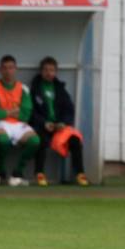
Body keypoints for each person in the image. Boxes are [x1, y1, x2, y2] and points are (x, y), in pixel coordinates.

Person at [30, 57, 89, 187]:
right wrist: (44, 123)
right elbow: (32, 111)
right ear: (41, 71)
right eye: (45, 70)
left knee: (75, 140)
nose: (48, 73)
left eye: (51, 70)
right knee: (40, 141)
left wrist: (63, 123)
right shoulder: (34, 89)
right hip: (42, 127)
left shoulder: (60, 89)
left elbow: (69, 109)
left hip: (59, 128)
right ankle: (39, 173)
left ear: (56, 72)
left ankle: (80, 173)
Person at [0, 55, 39, 186]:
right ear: (0, 70)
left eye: (10, 68)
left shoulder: (23, 88)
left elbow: (26, 114)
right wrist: (12, 111)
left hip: (19, 124)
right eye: (4, 68)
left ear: (15, 69)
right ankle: (1, 171)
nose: (8, 71)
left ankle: (17, 172)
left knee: (35, 141)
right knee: (3, 140)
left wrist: (5, 112)